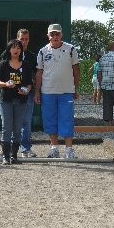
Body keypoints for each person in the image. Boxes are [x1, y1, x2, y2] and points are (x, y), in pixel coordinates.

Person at [34, 23, 80, 159]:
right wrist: (37, 91)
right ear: (48, 36)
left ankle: (69, 149)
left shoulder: (71, 49)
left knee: (67, 120)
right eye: (52, 34)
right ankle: (54, 148)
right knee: (50, 120)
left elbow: (76, 70)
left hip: (66, 91)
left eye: (57, 34)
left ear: (61, 35)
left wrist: (76, 88)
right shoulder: (43, 51)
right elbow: (39, 72)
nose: (55, 36)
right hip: (47, 91)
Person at [0, 29, 38, 158]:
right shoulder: (5, 56)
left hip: (26, 94)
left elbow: (35, 75)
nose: (24, 42)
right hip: (8, 95)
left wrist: (30, 89)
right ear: (17, 39)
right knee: (7, 124)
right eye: (22, 39)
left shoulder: (32, 56)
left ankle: (25, 148)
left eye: (26, 39)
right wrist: (5, 84)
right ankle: (6, 150)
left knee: (25, 122)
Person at [97, 41, 114, 125]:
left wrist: (100, 83)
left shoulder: (103, 58)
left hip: (105, 85)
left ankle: (109, 123)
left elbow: (99, 72)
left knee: (107, 104)